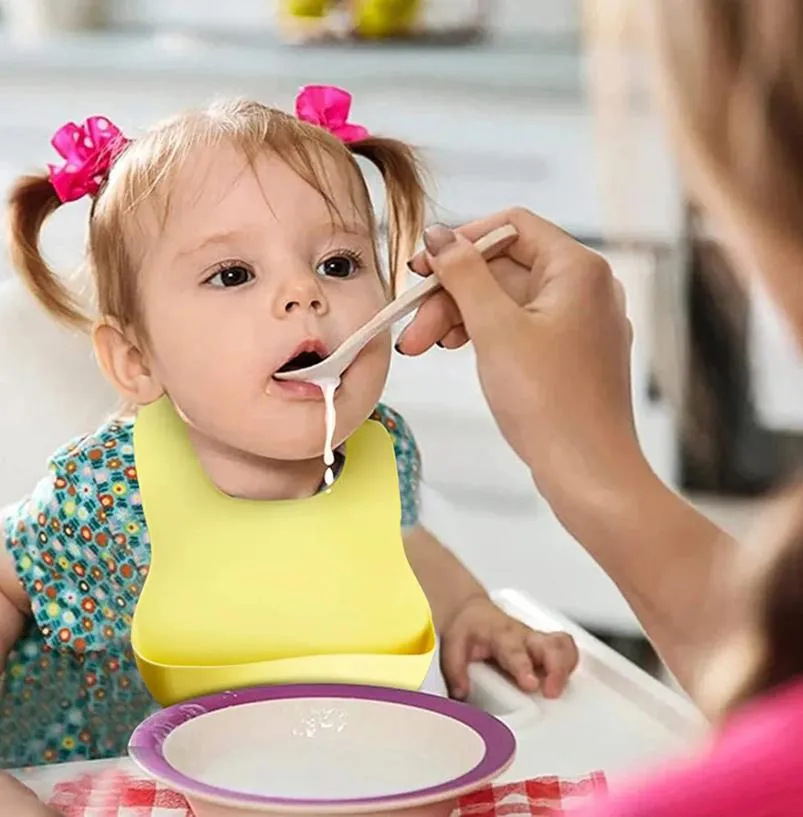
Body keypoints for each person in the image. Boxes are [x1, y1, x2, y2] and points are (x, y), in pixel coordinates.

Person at [0, 85, 579, 796]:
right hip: (102, 776)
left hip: (295, 772)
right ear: (137, 360)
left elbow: (393, 538)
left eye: (337, 263)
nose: (304, 293)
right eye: (233, 274)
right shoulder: (108, 488)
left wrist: (470, 610)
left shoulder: (378, 442)